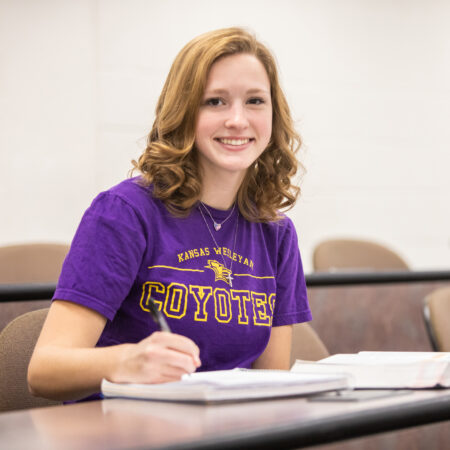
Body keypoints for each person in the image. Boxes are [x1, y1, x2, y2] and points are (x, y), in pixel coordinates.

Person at [28, 27, 312, 402]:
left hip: (227, 432)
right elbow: (44, 370)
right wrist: (126, 360)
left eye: (256, 101)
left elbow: (270, 384)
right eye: (215, 102)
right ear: (184, 110)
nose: (238, 120)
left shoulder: (276, 232)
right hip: (120, 432)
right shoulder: (124, 213)